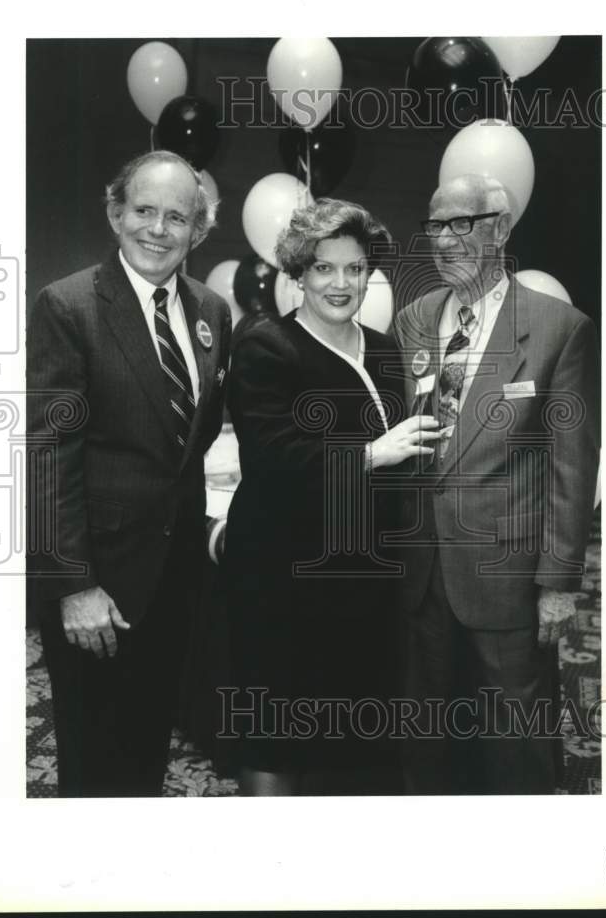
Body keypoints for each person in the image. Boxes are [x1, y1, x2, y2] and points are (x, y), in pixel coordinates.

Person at [27, 150, 231, 796]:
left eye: (178, 217)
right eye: (144, 210)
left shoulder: (211, 314)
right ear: (117, 214)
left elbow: (186, 446)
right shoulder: (68, 307)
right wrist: (72, 586)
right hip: (97, 594)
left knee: (147, 757)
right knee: (93, 768)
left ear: (197, 232)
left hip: (174, 588)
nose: (158, 229)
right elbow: (46, 456)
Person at [222, 198, 441, 796]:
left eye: (354, 268)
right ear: (298, 272)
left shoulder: (387, 348)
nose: (341, 283)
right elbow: (273, 463)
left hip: (362, 576)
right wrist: (375, 453)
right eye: (324, 268)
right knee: (277, 729)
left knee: (352, 731)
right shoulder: (267, 346)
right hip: (281, 575)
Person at [394, 174, 600, 794]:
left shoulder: (559, 328)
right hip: (422, 574)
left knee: (515, 742)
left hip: (508, 579)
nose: (446, 240)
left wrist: (559, 585)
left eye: (464, 224)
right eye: (436, 226)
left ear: (502, 229)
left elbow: (572, 467)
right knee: (427, 738)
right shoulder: (412, 321)